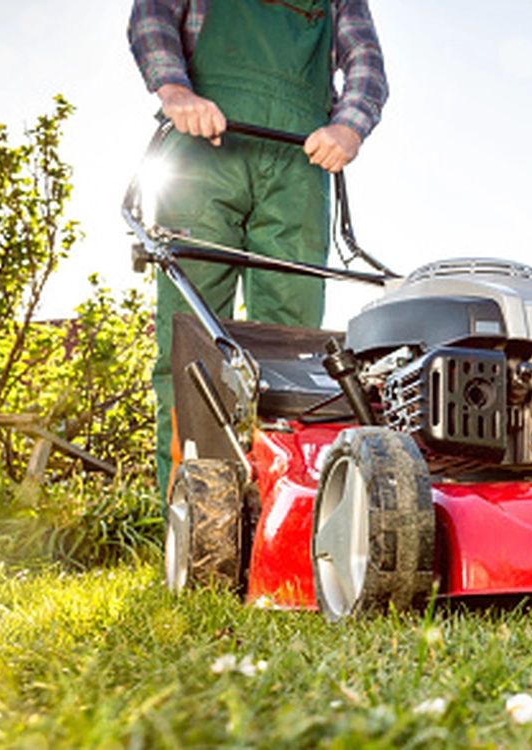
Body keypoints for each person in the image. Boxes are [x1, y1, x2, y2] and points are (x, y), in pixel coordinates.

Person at [128, 0, 388, 497]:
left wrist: (349, 126)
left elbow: (366, 62)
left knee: (295, 353)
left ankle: (278, 513)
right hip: (201, 155)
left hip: (300, 163)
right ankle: (190, 523)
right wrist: (176, 90)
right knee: (191, 348)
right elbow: (152, 14)